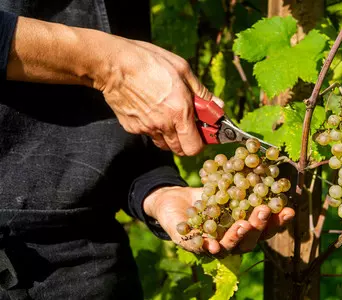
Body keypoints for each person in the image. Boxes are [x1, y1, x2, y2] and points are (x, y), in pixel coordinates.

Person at [0, 1, 295, 299]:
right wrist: (109, 67)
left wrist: (155, 189)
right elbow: (116, 66)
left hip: (91, 265)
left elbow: (112, 117)